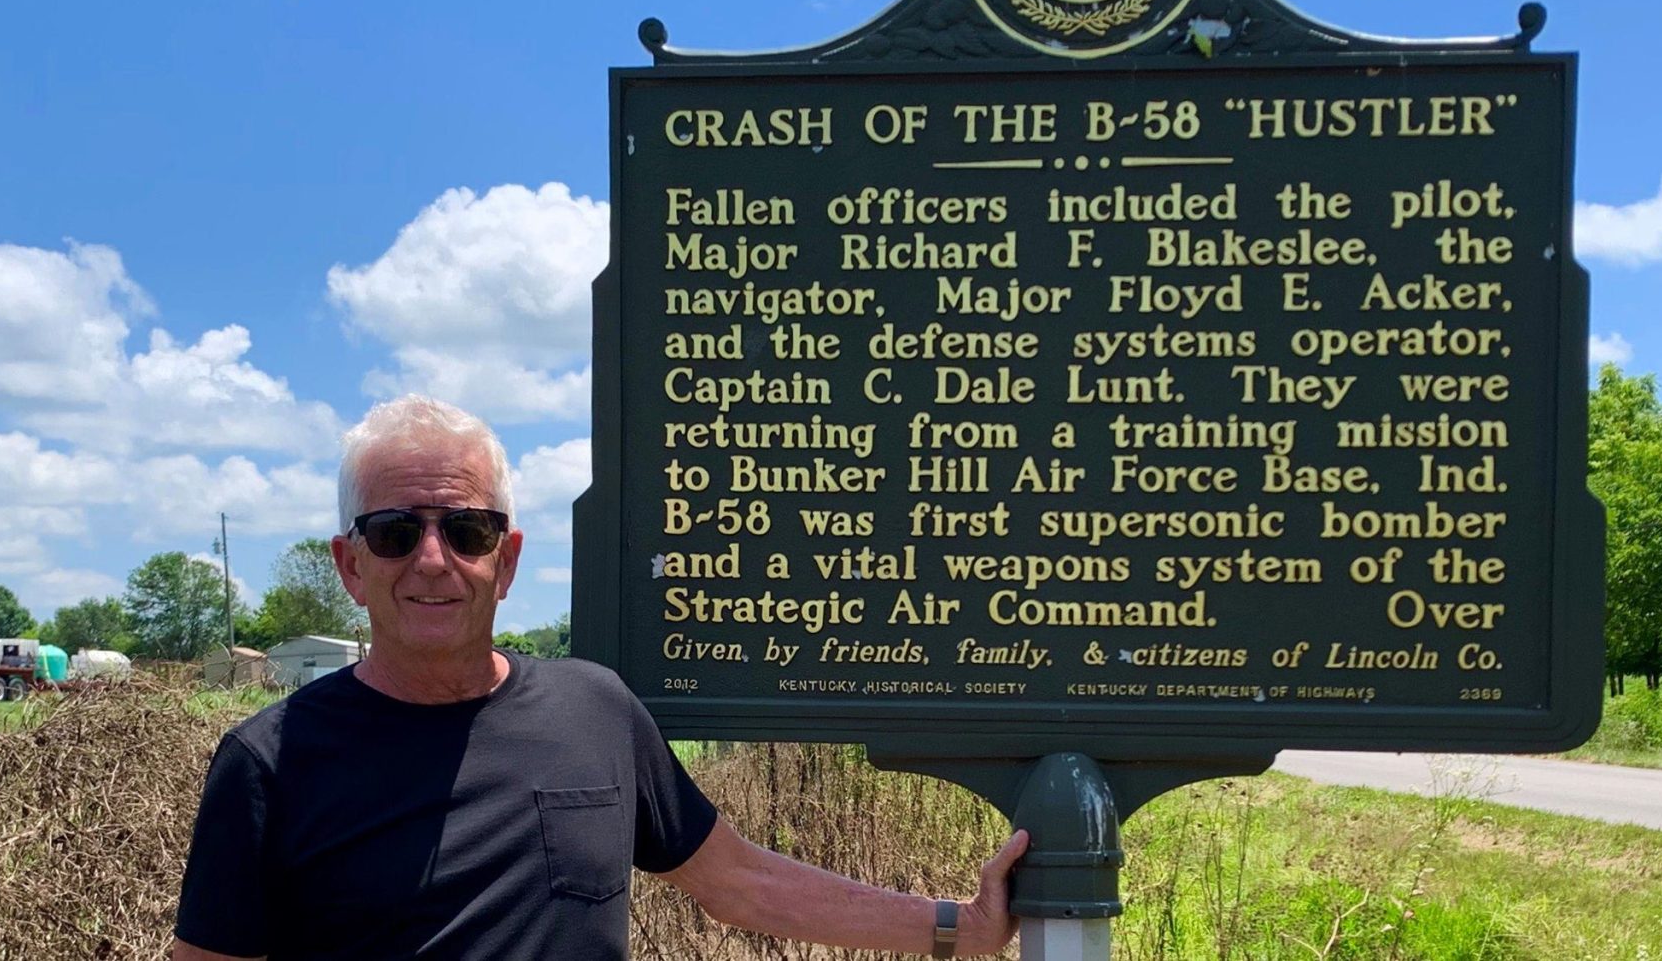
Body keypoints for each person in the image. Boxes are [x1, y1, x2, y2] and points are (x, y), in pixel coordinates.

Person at [172, 395, 1028, 960]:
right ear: (350, 565)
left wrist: (961, 927)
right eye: (396, 531)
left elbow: (738, 881)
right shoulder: (270, 762)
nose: (432, 560)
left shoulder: (596, 711)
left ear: (505, 562)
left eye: (466, 532)